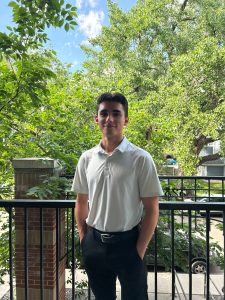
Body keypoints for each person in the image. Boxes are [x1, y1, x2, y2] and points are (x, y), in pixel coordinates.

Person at [72, 92, 163, 300]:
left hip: (129, 244)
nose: (109, 119)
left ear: (126, 119)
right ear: (96, 119)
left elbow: (152, 209)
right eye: (104, 113)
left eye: (116, 113)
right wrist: (84, 238)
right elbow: (81, 201)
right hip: (94, 243)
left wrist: (139, 250)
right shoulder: (86, 159)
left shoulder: (140, 159)